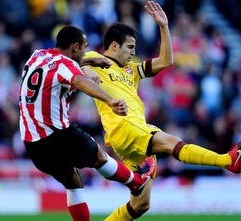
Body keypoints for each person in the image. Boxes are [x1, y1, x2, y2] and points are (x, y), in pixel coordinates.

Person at [82, 1, 241, 220]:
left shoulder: (130, 70)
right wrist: (86, 69)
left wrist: (164, 27)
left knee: (141, 204)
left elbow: (166, 61)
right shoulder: (97, 60)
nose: (134, 52)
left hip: (133, 133)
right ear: (114, 46)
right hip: (124, 127)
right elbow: (72, 63)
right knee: (171, 141)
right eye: (130, 47)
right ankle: (228, 161)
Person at [18, 25, 156, 221]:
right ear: (75, 47)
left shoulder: (38, 55)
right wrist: (110, 100)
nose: (85, 50)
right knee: (98, 156)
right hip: (57, 134)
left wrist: (92, 60)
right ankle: (136, 182)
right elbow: (80, 81)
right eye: (84, 47)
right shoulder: (66, 66)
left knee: (73, 181)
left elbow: (65, 63)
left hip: (32, 143)